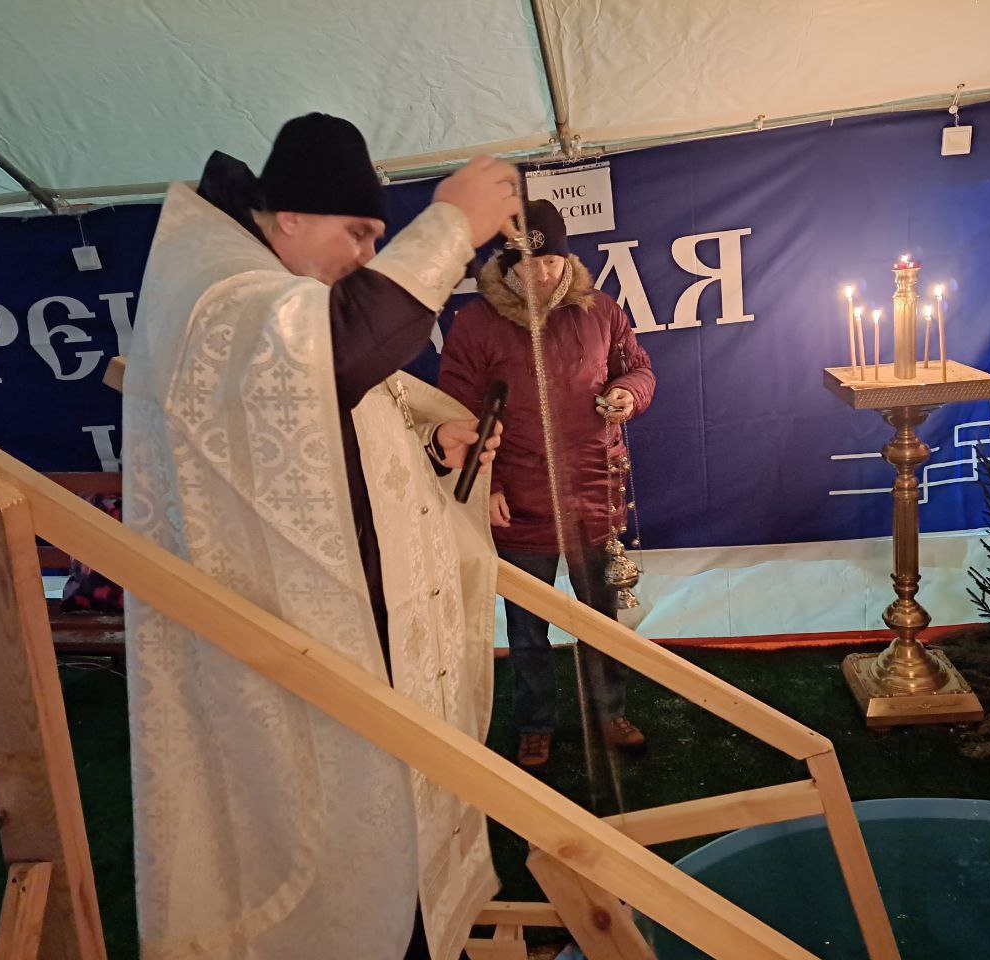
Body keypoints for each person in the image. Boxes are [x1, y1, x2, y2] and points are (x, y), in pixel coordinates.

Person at [122, 113, 520, 960]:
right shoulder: (220, 292)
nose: (368, 256)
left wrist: (435, 442)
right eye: (359, 233)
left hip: (354, 645)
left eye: (378, 237)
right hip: (285, 665)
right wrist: (452, 224)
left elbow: (333, 441)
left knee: (399, 855)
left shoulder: (276, 298)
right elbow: (336, 355)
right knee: (335, 874)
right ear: (291, 217)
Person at [438, 200, 655, 771]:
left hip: (593, 492)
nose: (539, 275)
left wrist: (629, 394)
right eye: (526, 264)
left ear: (566, 259)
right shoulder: (476, 323)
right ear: (506, 264)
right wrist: (484, 486)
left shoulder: (601, 311)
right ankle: (535, 725)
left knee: (601, 618)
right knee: (526, 628)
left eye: (550, 262)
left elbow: (639, 368)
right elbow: (457, 408)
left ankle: (609, 713)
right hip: (518, 499)